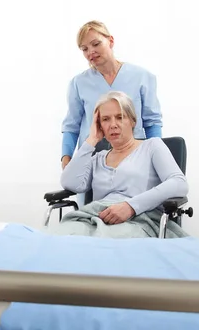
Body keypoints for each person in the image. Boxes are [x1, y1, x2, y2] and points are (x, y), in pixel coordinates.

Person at [61, 20, 163, 206]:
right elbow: (71, 125)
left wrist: (155, 157)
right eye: (84, 49)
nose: (90, 52)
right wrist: (66, 158)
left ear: (111, 41)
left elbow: (152, 121)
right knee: (93, 211)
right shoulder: (79, 83)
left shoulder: (141, 77)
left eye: (96, 44)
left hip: (132, 156)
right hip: (93, 159)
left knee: (132, 208)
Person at [60, 91, 188, 225]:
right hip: (97, 220)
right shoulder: (98, 158)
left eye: (120, 117)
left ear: (133, 121)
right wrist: (91, 140)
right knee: (63, 238)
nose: (113, 124)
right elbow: (70, 182)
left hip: (138, 221)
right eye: (105, 119)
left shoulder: (152, 146)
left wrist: (131, 206)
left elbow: (179, 183)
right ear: (99, 125)